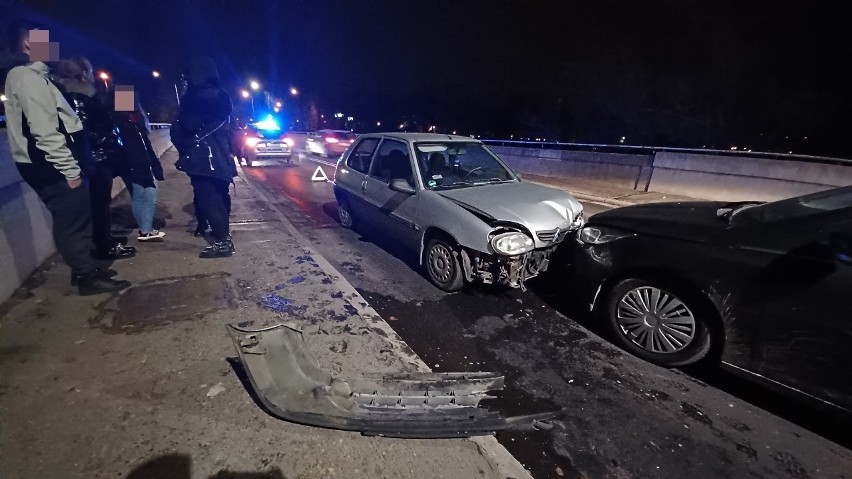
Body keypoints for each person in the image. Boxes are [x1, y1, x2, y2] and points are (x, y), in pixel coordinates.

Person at [2, 24, 130, 295]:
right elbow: (44, 129)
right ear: (27, 45)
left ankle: (84, 268)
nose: (52, 46)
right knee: (73, 222)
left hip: (59, 165)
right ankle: (85, 277)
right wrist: (70, 170)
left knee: (79, 218)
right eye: (45, 41)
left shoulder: (37, 76)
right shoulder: (26, 77)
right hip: (54, 168)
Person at [52, 57, 136, 259]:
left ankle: (103, 243)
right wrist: (108, 140)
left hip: (92, 158)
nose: (92, 77)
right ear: (81, 75)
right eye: (89, 72)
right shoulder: (79, 97)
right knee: (98, 205)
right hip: (96, 159)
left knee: (97, 205)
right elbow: (82, 131)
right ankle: (103, 246)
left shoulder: (69, 96)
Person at [170, 56, 236, 258]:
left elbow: (187, 126)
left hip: (201, 157)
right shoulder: (223, 96)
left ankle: (223, 241)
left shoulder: (193, 97)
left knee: (207, 198)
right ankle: (224, 233)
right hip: (221, 154)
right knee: (221, 194)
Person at [114, 101, 166, 242]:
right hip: (138, 165)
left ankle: (145, 229)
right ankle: (145, 231)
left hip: (130, 166)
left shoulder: (120, 122)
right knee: (149, 197)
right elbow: (138, 149)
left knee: (138, 197)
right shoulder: (129, 124)